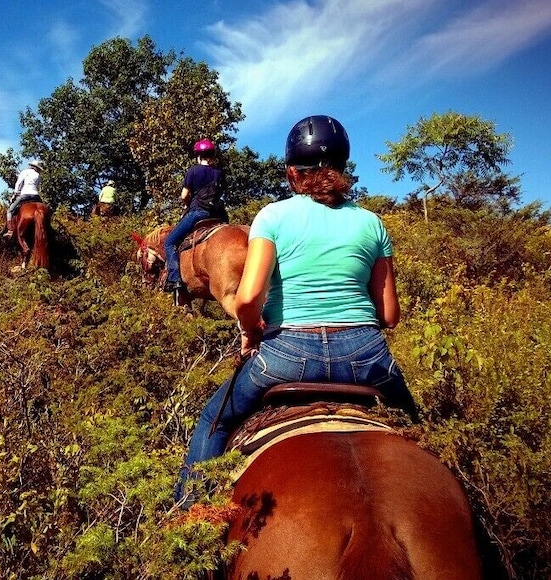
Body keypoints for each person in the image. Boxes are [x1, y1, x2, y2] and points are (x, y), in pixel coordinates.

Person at [174, 115, 419, 504]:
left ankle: (189, 520)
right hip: (366, 356)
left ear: (291, 173)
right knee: (423, 430)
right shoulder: (372, 223)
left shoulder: (273, 216)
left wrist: (250, 331)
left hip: (286, 354)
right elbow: (389, 315)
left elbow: (250, 299)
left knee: (213, 421)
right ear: (342, 168)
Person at [163, 139, 228, 303]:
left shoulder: (193, 171)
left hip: (198, 213)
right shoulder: (218, 173)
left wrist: (187, 205)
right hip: (219, 216)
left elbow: (184, 195)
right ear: (212, 155)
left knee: (170, 242)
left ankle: (175, 279)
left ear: (198, 156)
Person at [2, 160, 43, 239]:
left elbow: (18, 183)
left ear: (31, 166)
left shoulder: (25, 172)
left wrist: (15, 194)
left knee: (9, 211)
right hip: (36, 196)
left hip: (25, 195)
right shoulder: (38, 175)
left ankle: (10, 231)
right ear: (37, 168)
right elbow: (38, 188)